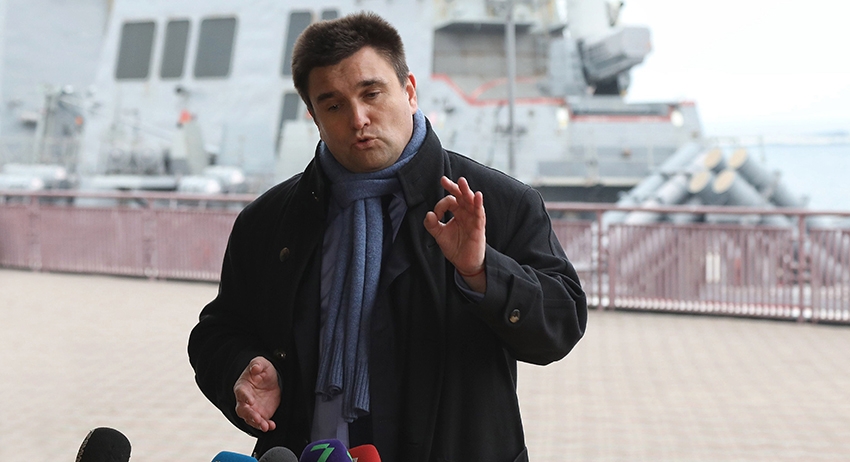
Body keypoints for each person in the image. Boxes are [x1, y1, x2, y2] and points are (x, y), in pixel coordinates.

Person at [188, 11, 587, 462]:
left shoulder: (494, 202)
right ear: (314, 117)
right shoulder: (269, 220)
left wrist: (481, 271)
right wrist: (240, 370)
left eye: (371, 93)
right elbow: (217, 332)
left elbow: (561, 326)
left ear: (410, 91)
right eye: (333, 106)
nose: (358, 118)